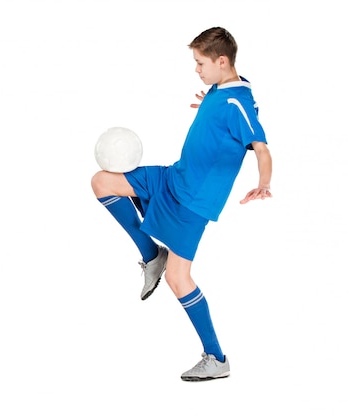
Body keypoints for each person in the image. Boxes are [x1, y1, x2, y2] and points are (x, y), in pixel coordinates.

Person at [90, 27, 272, 381]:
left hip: (192, 203)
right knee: (102, 182)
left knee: (178, 278)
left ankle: (216, 358)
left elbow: (261, 148)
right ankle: (152, 254)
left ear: (222, 61)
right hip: (173, 178)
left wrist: (264, 182)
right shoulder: (223, 88)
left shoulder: (240, 104)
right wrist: (207, 104)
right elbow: (219, 107)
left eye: (200, 63)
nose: (196, 69)